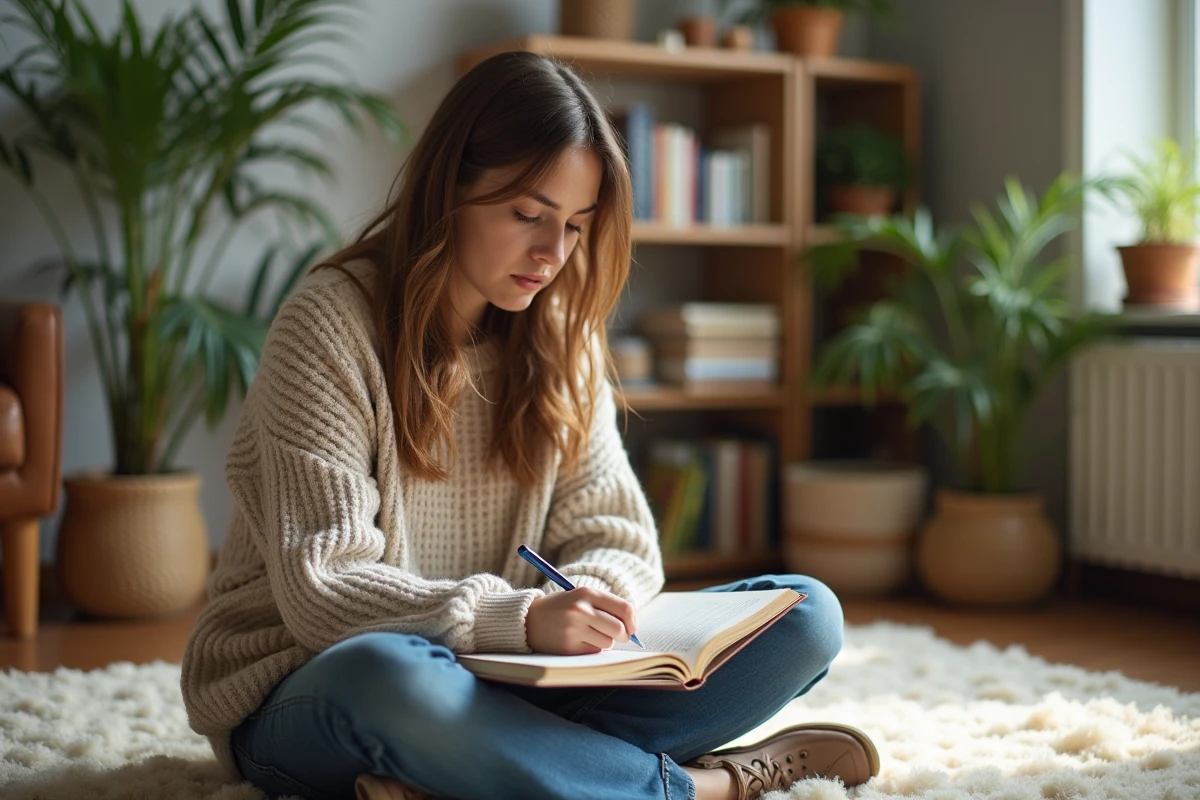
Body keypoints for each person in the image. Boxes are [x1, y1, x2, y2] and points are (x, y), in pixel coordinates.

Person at [180, 50, 879, 800]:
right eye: (527, 215)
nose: (552, 254)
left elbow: (619, 536)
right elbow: (326, 591)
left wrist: (585, 609)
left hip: (512, 685)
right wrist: (519, 619)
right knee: (389, 677)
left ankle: (480, 770)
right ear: (448, 188)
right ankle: (703, 788)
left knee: (806, 615)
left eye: (576, 227)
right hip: (310, 686)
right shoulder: (328, 326)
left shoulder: (560, 335)